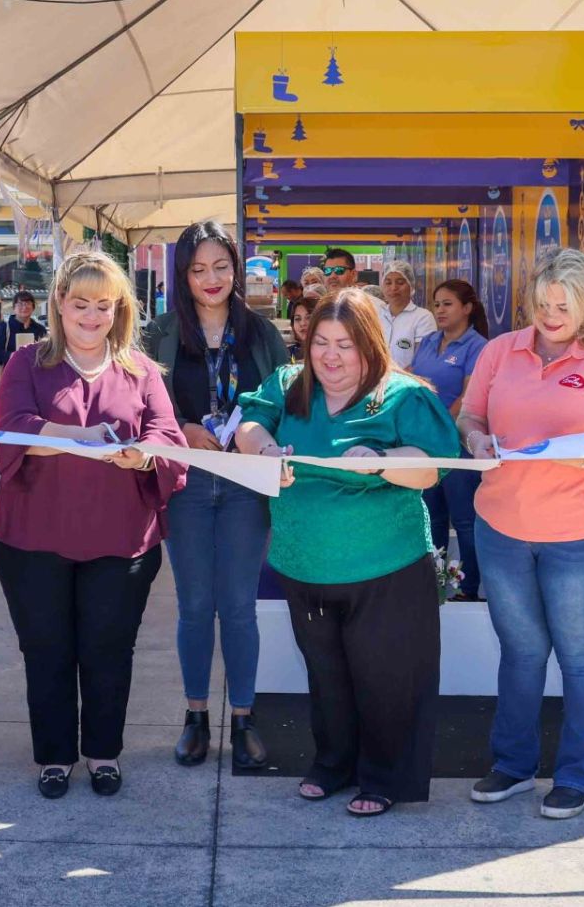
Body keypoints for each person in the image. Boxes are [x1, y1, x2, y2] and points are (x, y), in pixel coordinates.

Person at [235, 290, 459, 817]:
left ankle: (382, 778)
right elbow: (247, 425)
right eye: (321, 344)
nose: (331, 357)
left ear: (371, 346)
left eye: (346, 345)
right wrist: (265, 450)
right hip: (303, 564)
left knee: (385, 676)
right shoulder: (291, 385)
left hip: (386, 566)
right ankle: (333, 764)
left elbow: (433, 466)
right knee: (326, 674)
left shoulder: (404, 396)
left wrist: (381, 460)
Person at [459, 248, 584, 820]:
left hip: (583, 535)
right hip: (502, 528)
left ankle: (577, 777)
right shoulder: (499, 351)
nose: (549, 314)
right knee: (519, 654)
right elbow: (470, 416)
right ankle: (513, 767)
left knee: (580, 657)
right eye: (542, 303)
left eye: (562, 305)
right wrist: (474, 440)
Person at [0, 249, 187, 798]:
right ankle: (54, 756)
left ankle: (103, 752)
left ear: (120, 309)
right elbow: (15, 430)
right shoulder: (27, 364)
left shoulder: (142, 371)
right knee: (47, 649)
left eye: (104, 305)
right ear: (59, 304)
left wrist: (142, 457)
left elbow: (167, 439)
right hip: (34, 540)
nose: (91, 316)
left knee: (108, 649)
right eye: (81, 304)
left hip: (120, 542)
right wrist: (89, 440)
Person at [140, 221, 290, 768]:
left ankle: (245, 719)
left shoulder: (263, 333)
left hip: (247, 485)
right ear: (182, 273)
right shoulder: (158, 332)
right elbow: (141, 407)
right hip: (186, 482)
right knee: (195, 606)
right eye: (198, 269)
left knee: (240, 607)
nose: (211, 279)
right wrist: (181, 429)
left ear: (237, 269)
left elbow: (283, 400)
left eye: (221, 267)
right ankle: (196, 717)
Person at [409, 279, 491, 600]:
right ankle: (438, 585)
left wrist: (439, 428)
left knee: (464, 519)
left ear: (468, 308)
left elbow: (467, 399)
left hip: (457, 447)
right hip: (426, 447)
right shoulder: (429, 341)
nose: (439, 310)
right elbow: (413, 380)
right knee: (433, 518)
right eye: (437, 304)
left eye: (447, 304)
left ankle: (468, 589)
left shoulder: (478, 347)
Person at [378, 259, 439, 368]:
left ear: (411, 285)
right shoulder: (376, 314)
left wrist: (397, 380)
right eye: (388, 282)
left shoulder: (423, 317)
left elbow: (422, 360)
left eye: (400, 282)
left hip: (407, 382)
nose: (393, 288)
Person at [0, 289, 46, 377]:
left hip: (34, 376)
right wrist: (15, 355)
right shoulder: (5, 327)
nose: (24, 307)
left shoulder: (40, 329)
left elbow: (46, 354)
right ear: (14, 308)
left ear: (33, 307)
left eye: (28, 303)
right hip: (10, 376)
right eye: (20, 304)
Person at [286, 296, 314, 361]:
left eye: (309, 318)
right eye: (297, 319)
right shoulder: (288, 354)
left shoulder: (330, 354)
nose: (302, 323)